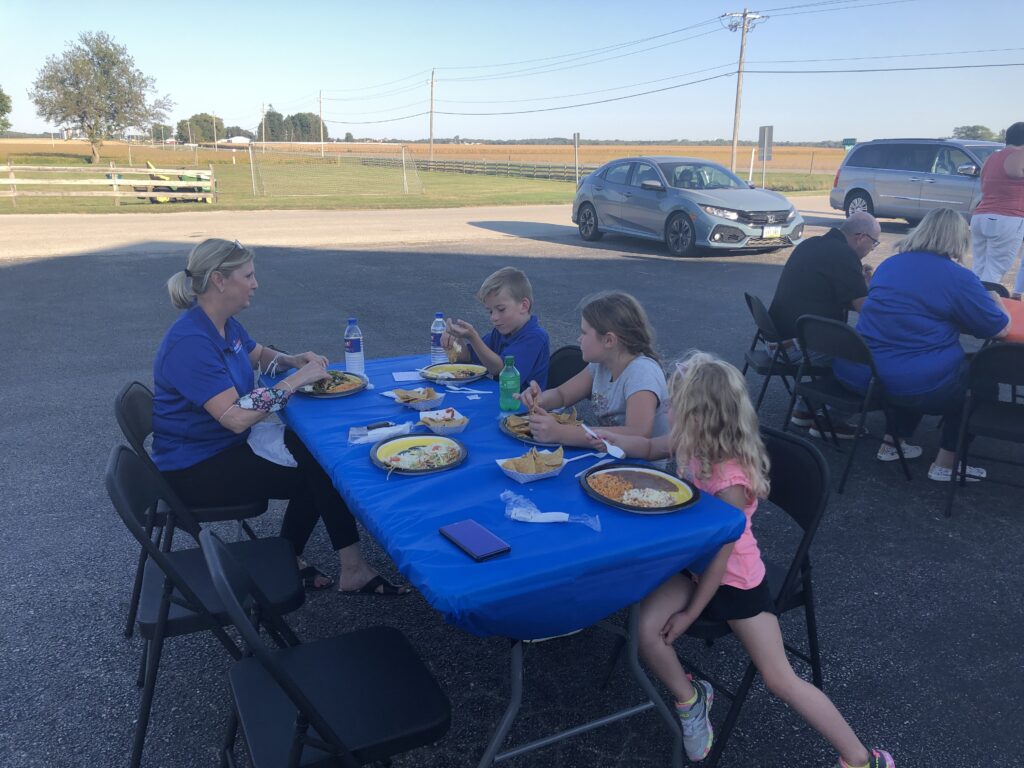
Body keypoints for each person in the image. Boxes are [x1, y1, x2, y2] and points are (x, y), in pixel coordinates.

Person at [592, 352, 894, 768]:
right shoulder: (691, 442)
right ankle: (690, 699)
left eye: (675, 404)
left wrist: (691, 613)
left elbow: (721, 558)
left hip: (734, 580)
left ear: (701, 416)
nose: (667, 409)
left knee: (779, 679)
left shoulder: (730, 480)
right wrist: (596, 436)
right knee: (647, 632)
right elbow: (645, 446)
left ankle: (863, 758)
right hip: (692, 565)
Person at [152, 238, 408, 595]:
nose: (255, 284)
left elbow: (256, 353)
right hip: (195, 468)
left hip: (221, 445)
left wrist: (292, 359)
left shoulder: (221, 323)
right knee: (319, 470)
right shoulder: (191, 342)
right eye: (248, 275)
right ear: (219, 281)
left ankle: (308, 559)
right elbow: (235, 417)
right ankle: (347, 567)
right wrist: (295, 380)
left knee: (315, 455)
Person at [832, 208, 1010, 481]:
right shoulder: (958, 277)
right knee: (981, 380)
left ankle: (892, 444)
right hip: (909, 382)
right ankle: (946, 464)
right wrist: (997, 303)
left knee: (911, 357)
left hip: (862, 373)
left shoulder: (890, 265)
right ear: (959, 239)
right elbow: (999, 328)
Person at [768, 212, 882, 437]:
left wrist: (859, 283)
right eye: (874, 242)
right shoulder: (844, 257)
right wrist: (872, 288)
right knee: (862, 354)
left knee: (833, 339)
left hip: (774, 341)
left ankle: (804, 411)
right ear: (860, 237)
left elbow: (825, 292)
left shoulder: (811, 244)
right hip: (798, 348)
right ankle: (833, 420)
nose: (872, 249)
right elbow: (866, 310)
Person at [517, 291, 668, 447]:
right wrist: (539, 400)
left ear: (609, 340)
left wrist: (561, 433)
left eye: (584, 332)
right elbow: (562, 395)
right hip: (606, 451)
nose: (579, 338)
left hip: (637, 464)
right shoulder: (601, 365)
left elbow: (638, 433)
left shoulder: (642, 373)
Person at [442, 266, 550, 389]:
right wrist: (456, 341)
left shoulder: (535, 337)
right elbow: (468, 358)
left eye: (501, 309)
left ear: (524, 306)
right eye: (490, 311)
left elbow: (500, 369)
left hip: (524, 406)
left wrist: (473, 337)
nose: (493, 317)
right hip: (500, 399)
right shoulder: (500, 333)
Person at [970, 121, 1024, 298]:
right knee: (994, 271)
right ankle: (981, 312)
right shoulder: (1021, 156)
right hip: (1008, 217)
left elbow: (983, 185)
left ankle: (969, 304)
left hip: (981, 216)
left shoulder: (991, 158)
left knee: (979, 267)